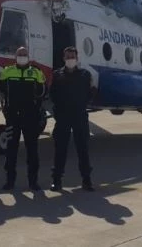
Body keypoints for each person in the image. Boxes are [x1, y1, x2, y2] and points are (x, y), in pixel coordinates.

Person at [0, 46, 47, 191]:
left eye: (24, 54)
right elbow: (0, 90)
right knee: (11, 150)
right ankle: (10, 181)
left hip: (30, 117)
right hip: (12, 117)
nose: (22, 56)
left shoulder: (36, 72)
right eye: (20, 54)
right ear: (15, 56)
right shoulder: (6, 71)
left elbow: (43, 91)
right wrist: (5, 108)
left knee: (32, 149)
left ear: (28, 56)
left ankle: (33, 182)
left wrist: (37, 109)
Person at [49, 46, 95, 192]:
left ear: (77, 58)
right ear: (64, 58)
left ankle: (86, 180)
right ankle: (56, 180)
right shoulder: (57, 75)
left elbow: (90, 93)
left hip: (79, 116)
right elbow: (52, 94)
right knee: (60, 149)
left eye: (72, 57)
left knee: (83, 149)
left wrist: (82, 105)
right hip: (63, 116)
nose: (70, 59)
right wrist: (58, 111)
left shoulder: (85, 75)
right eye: (68, 57)